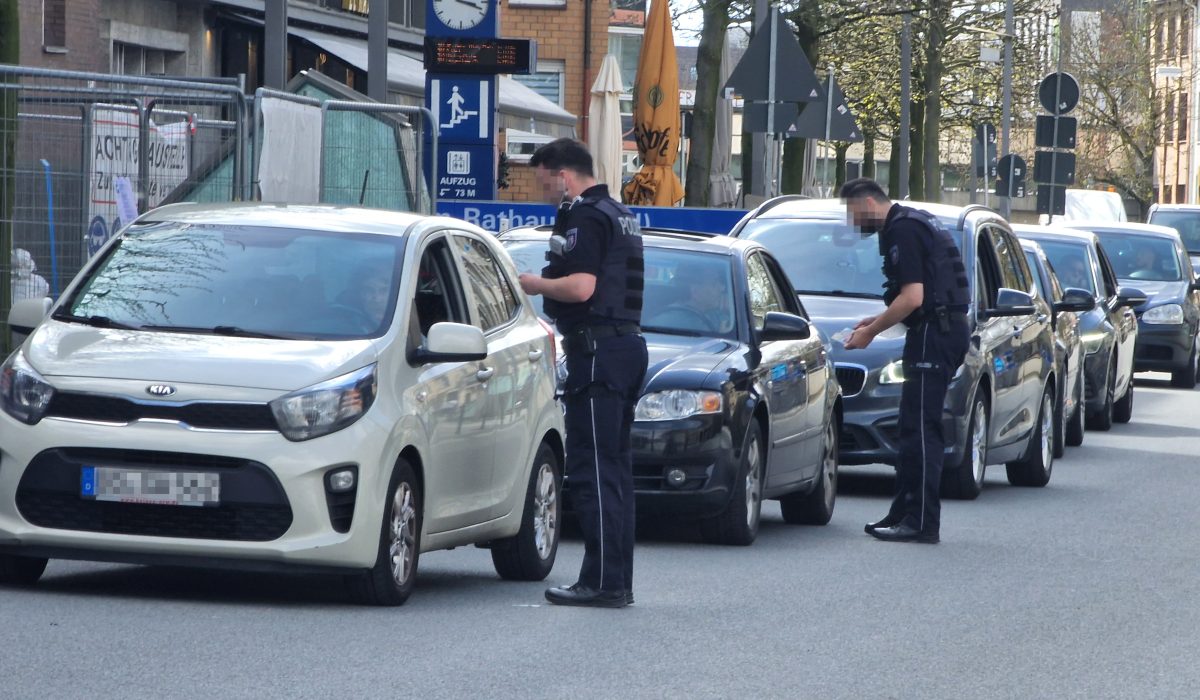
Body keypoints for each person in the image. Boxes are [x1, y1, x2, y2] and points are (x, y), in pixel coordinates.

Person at [518, 138, 648, 608]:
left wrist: (534, 284)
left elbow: (581, 288)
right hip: (620, 348)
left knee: (594, 471)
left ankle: (603, 583)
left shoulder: (587, 217)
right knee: (613, 471)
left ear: (564, 175)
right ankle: (613, 580)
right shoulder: (618, 212)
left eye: (544, 182)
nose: (544, 192)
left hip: (598, 354)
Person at [840, 178, 970, 544]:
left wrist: (871, 332)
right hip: (936, 330)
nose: (853, 221)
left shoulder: (903, 229)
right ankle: (903, 513)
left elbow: (913, 297)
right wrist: (877, 319)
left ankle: (922, 522)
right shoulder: (912, 221)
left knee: (922, 430)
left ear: (868, 203)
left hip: (935, 334)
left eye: (853, 212)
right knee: (910, 428)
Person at [650, 261, 731, 334]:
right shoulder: (668, 324)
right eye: (714, 284)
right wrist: (721, 336)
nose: (722, 288)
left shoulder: (710, 312)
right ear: (695, 292)